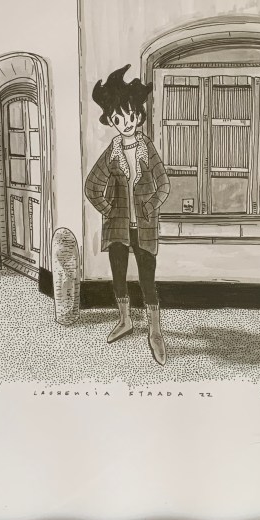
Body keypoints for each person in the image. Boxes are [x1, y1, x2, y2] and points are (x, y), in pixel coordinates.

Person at [84, 64, 171, 364]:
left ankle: (155, 332)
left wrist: (149, 206)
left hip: (144, 226)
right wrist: (109, 210)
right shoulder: (112, 152)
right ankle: (125, 320)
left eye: (131, 116)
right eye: (120, 118)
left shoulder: (147, 148)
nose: (127, 123)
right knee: (119, 276)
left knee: (148, 280)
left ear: (139, 115)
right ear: (111, 120)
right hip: (118, 227)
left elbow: (164, 184)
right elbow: (91, 186)